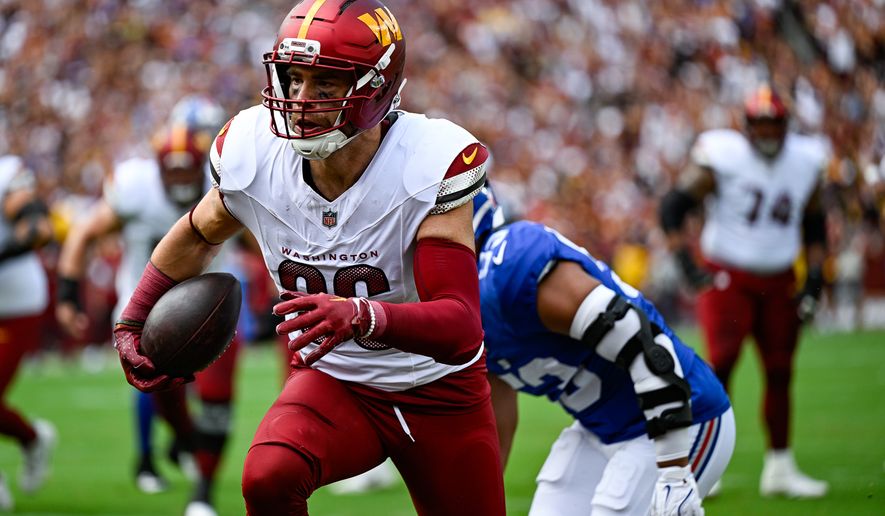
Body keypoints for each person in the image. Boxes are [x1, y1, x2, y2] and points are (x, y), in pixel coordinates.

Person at [111, 1, 505, 514]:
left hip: (437, 388)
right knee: (269, 477)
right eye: (293, 79)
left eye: (324, 85)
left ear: (375, 87)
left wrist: (362, 315)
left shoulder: (425, 162)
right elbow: (196, 234)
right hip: (337, 379)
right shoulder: (255, 153)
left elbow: (460, 328)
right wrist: (134, 319)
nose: (301, 98)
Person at [473, 187, 733, 516]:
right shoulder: (465, 303)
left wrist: (675, 472)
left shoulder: (507, 267)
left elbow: (641, 342)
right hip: (600, 428)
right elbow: (496, 418)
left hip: (682, 416)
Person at [56, 114, 239, 516]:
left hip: (211, 306)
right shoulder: (135, 188)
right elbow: (84, 232)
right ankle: (182, 441)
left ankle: (203, 491)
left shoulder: (228, 178)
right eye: (169, 173)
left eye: (186, 172)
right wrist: (69, 295)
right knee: (161, 396)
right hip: (144, 313)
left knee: (217, 397)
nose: (178, 181)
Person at [659, 84, 829, 498]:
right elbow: (674, 206)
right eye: (761, 125)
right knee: (721, 365)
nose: (768, 134)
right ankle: (704, 465)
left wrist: (814, 279)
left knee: (780, 368)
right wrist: (686, 262)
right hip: (728, 275)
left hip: (779, 276)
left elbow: (814, 222)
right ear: (747, 127)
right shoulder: (723, 155)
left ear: (786, 126)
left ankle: (780, 467)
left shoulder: (806, 160)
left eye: (774, 125)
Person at [0, 155, 57, 512]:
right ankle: (31, 438)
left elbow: (39, 228)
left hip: (14, 305)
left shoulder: (8, 172)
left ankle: (32, 439)